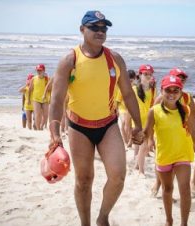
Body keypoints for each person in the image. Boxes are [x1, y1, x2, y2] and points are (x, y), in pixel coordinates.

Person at [48, 10, 143, 226]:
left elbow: (128, 94)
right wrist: (54, 134)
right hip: (78, 127)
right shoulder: (69, 60)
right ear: (82, 30)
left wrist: (138, 125)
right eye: (94, 27)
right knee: (83, 181)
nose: (100, 32)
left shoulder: (115, 59)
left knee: (118, 176)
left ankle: (102, 217)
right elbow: (56, 100)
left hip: (108, 125)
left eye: (104, 28)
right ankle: (85, 223)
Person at [144, 75, 195, 226]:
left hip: (183, 155)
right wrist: (143, 138)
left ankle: (184, 223)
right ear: (162, 91)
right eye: (168, 90)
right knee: (167, 189)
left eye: (176, 90)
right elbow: (147, 132)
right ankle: (169, 220)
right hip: (164, 156)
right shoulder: (154, 111)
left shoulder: (187, 110)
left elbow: (194, 133)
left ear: (181, 92)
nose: (172, 93)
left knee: (184, 189)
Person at [151, 67, 195, 196]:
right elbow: (154, 115)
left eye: (182, 79)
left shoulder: (187, 97)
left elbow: (193, 119)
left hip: (182, 138)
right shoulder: (161, 97)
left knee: (178, 167)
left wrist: (194, 138)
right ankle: (157, 183)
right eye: (178, 78)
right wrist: (153, 138)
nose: (180, 80)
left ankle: (166, 190)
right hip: (164, 136)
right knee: (163, 163)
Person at [132, 64, 156, 177]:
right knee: (141, 145)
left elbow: (155, 105)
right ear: (140, 74)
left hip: (148, 121)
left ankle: (138, 167)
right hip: (137, 120)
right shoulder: (134, 89)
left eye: (150, 74)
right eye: (145, 74)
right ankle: (140, 170)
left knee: (144, 146)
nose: (148, 76)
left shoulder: (153, 90)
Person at [115, 69, 136, 147]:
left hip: (131, 109)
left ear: (135, 79)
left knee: (131, 125)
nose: (130, 82)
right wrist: (116, 110)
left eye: (132, 81)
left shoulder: (136, 89)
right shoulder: (122, 88)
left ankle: (130, 140)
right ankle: (125, 141)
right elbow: (117, 100)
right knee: (124, 123)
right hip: (122, 108)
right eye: (128, 81)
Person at [28, 64, 49, 130]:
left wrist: (47, 78)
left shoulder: (47, 79)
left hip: (45, 99)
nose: (39, 72)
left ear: (44, 70)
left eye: (40, 70)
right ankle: (38, 128)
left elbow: (51, 88)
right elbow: (30, 90)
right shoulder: (33, 79)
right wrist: (28, 99)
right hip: (36, 99)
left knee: (46, 115)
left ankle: (42, 126)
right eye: (37, 70)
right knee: (37, 114)